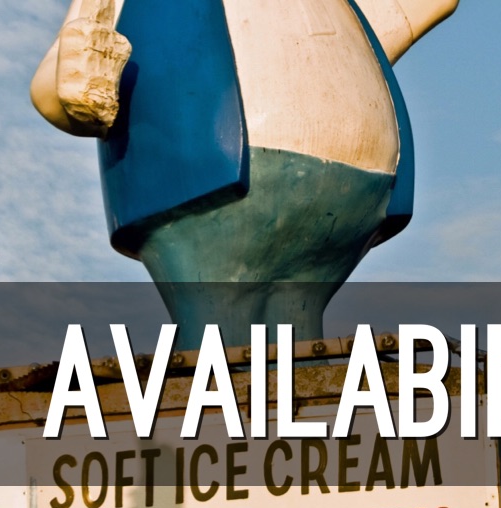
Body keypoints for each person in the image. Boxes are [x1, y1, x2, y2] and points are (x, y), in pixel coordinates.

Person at [32, 0, 459, 346]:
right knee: (220, 318)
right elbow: (61, 74)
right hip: (207, 170)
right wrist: (73, 85)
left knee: (293, 327)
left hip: (351, 184)